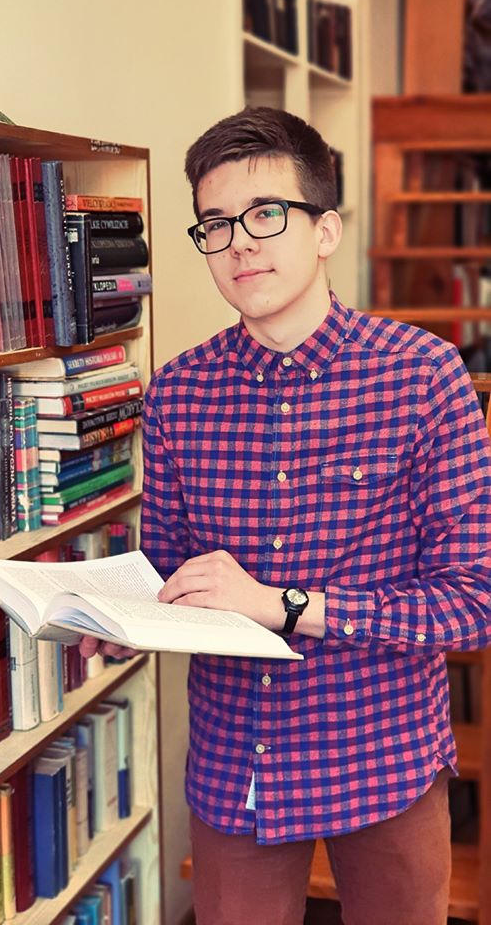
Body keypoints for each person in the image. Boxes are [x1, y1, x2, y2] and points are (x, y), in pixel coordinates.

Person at [80, 106, 491, 925]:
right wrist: (117, 618)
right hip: (239, 764)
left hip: (383, 758)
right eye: (216, 224)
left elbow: (473, 601)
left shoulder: (424, 376)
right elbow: (171, 574)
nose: (239, 243)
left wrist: (286, 605)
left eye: (266, 213)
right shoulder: (178, 391)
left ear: (326, 230)